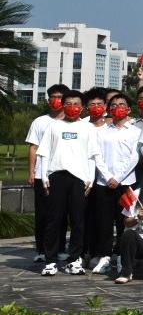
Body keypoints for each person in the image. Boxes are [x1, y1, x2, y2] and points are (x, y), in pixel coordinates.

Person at [36, 91, 106, 275]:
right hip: (56, 176)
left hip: (79, 179)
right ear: (63, 105)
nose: (72, 107)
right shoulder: (54, 125)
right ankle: (50, 261)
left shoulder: (87, 127)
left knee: (78, 221)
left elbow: (92, 155)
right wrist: (44, 177)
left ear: (82, 107)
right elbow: (44, 152)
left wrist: (90, 179)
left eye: (76, 104)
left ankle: (74, 259)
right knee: (54, 220)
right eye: (68, 103)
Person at [89, 93, 140, 275]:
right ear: (108, 109)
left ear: (129, 109)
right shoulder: (101, 132)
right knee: (104, 221)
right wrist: (108, 176)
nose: (117, 108)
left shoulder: (135, 132)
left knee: (124, 221)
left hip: (126, 183)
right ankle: (104, 255)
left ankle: (121, 256)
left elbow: (134, 157)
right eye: (114, 105)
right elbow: (97, 155)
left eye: (122, 104)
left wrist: (118, 177)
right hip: (104, 182)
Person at [25, 83, 68, 264]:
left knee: (61, 213)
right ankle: (41, 249)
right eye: (53, 97)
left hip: (63, 173)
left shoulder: (73, 122)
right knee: (42, 213)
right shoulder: (40, 122)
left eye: (60, 97)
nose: (56, 100)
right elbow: (33, 147)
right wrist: (31, 171)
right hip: (41, 174)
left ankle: (60, 248)